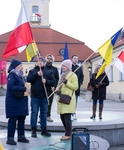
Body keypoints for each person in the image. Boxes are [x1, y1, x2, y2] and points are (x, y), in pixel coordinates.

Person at [27, 56, 56, 137]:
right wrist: (36, 74)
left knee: (44, 114)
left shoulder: (48, 72)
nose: (40, 62)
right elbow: (28, 79)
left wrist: (46, 81)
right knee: (34, 113)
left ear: (44, 62)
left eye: (42, 61)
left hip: (44, 96)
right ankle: (33, 130)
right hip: (35, 96)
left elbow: (53, 82)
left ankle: (44, 129)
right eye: (39, 61)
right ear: (36, 63)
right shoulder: (32, 71)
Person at [5, 59, 30, 145]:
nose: (22, 67)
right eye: (20, 65)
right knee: (13, 120)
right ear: (16, 66)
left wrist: (27, 89)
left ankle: (21, 136)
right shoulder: (12, 75)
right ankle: (10, 138)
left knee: (21, 119)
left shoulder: (21, 76)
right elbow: (10, 86)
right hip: (13, 101)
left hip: (21, 100)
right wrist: (24, 88)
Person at [56, 59, 78, 140]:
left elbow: (75, 87)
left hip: (69, 100)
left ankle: (68, 134)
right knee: (62, 116)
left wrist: (67, 82)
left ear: (68, 67)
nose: (62, 67)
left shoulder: (73, 75)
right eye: (62, 66)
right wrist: (56, 90)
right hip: (61, 99)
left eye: (64, 66)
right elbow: (59, 86)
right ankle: (68, 132)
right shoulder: (62, 75)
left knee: (67, 117)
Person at [45, 54, 59, 122]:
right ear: (46, 59)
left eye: (51, 58)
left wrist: (54, 87)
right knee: (43, 103)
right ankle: (41, 116)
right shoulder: (43, 68)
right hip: (44, 88)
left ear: (52, 60)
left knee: (49, 103)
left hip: (51, 89)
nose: (49, 60)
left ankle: (48, 116)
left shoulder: (55, 69)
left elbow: (57, 79)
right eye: (48, 58)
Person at [71, 54, 84, 120]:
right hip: (70, 87)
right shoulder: (69, 67)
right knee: (70, 101)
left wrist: (80, 82)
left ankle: (74, 113)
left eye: (77, 58)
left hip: (77, 87)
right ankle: (70, 113)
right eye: (74, 58)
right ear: (72, 59)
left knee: (75, 101)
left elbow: (82, 76)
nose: (76, 59)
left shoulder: (79, 67)